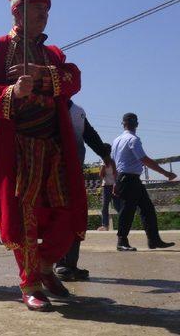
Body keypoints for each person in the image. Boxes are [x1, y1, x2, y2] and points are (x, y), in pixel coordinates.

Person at [0, 0, 88, 311]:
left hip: (53, 148)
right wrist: (12, 92)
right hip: (20, 148)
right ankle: (30, 282)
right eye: (38, 9)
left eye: (47, 10)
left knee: (67, 215)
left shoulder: (52, 53)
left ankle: (45, 265)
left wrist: (44, 76)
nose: (45, 15)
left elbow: (74, 78)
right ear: (19, 12)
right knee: (26, 217)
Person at [55, 101, 115, 281]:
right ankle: (59, 263)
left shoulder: (77, 111)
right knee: (59, 218)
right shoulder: (47, 106)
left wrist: (104, 155)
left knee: (77, 216)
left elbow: (89, 134)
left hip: (75, 171)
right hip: (53, 173)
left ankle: (71, 264)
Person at [112, 113, 177, 251]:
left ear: (123, 124)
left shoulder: (117, 140)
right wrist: (165, 173)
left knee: (147, 209)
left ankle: (154, 240)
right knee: (128, 210)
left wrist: (114, 183)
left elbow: (114, 164)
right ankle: (122, 241)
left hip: (126, 179)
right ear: (137, 124)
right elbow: (144, 159)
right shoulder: (133, 139)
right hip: (129, 179)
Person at [98, 161, 122, 231]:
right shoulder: (116, 160)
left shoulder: (104, 161)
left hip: (107, 185)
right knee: (118, 206)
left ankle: (105, 226)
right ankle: (125, 224)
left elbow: (101, 174)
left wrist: (102, 169)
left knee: (104, 207)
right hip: (116, 185)